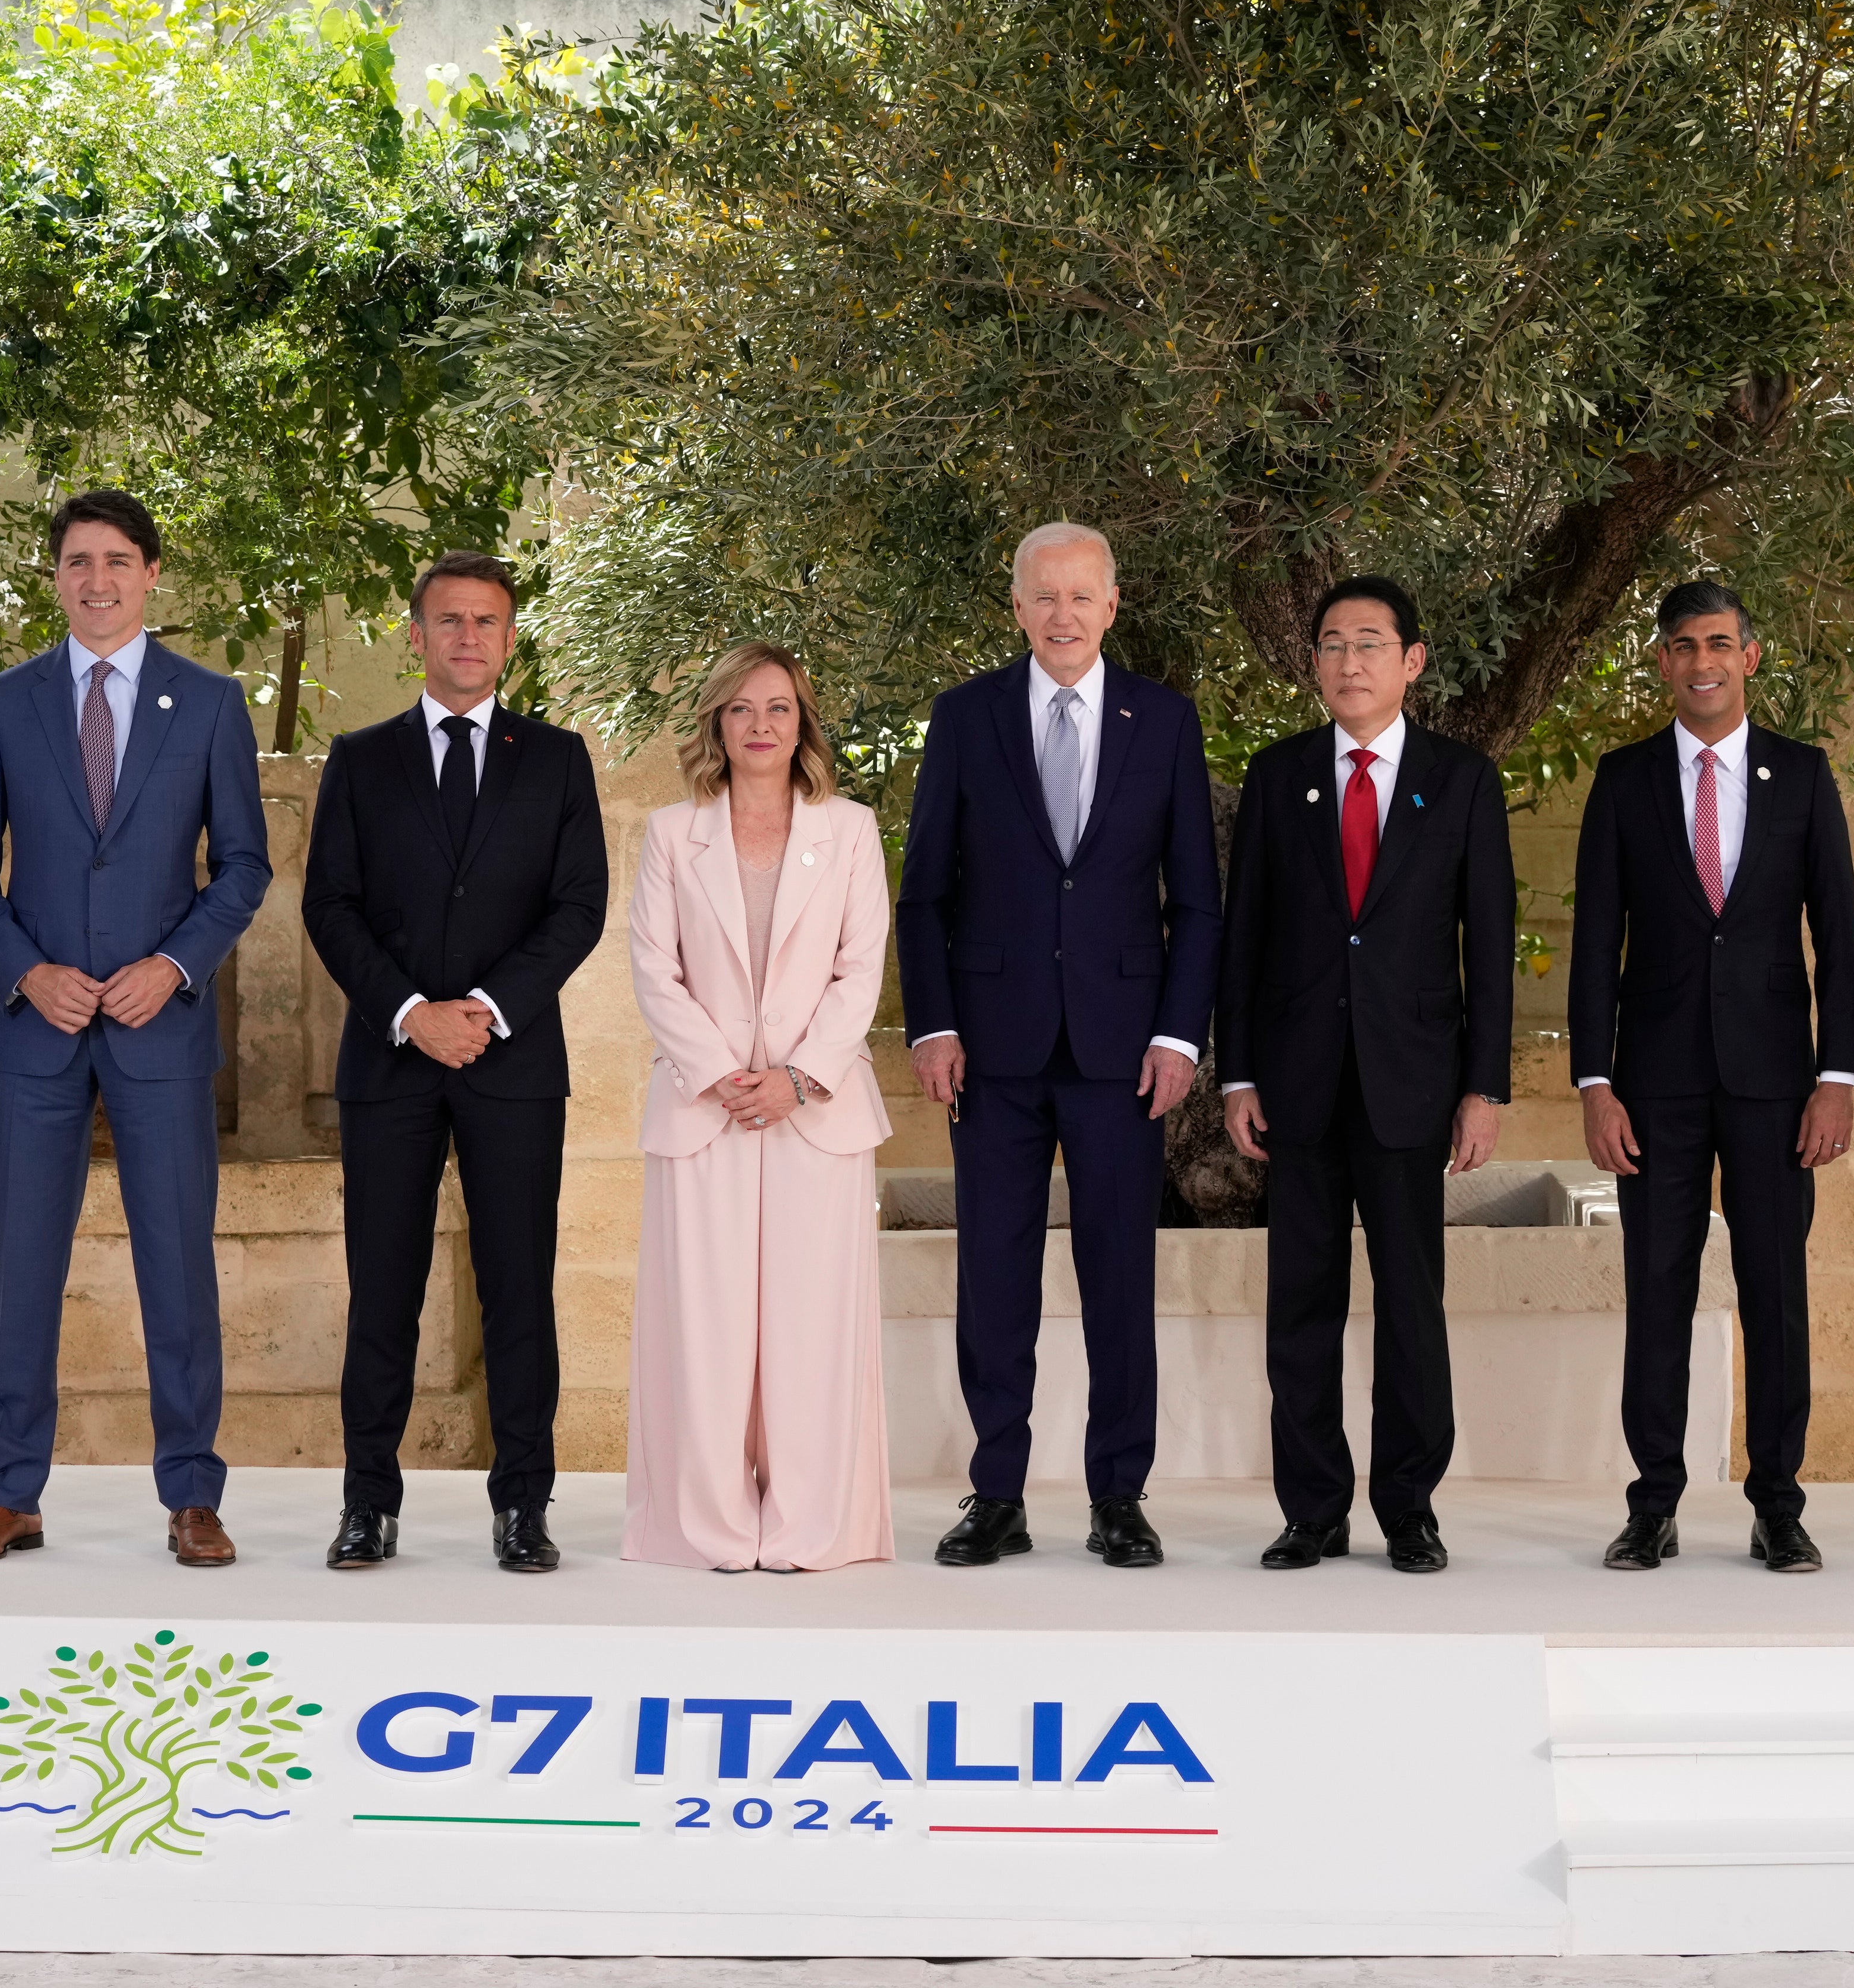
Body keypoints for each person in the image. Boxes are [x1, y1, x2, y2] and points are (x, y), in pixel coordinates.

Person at [0, 491, 270, 1568]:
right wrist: (27, 972)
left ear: (151, 575)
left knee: (178, 1266)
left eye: (117, 561)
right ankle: (10, 1492)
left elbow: (246, 868)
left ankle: (193, 1496)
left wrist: (173, 968)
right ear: (56, 577)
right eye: (78, 561)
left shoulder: (210, 704)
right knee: (23, 1265)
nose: (97, 579)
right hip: (36, 1031)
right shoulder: (4, 701)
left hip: (157, 1031)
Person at [896, 521, 1222, 1568]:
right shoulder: (965, 719)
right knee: (995, 1275)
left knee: (1118, 1275)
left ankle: (1118, 1496)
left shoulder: (1165, 723)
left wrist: (1180, 1033)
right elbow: (925, 894)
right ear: (1018, 604)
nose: (1064, 615)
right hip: (989, 1050)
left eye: (1083, 597)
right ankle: (997, 1492)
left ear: (1113, 606)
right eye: (1046, 597)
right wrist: (934, 1022)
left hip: (1125, 1054)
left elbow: (1199, 906)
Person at [302, 552, 609, 1572]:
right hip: (390, 1061)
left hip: (512, 1062)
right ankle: (368, 1505)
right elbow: (328, 905)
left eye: (486, 621)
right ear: (418, 635)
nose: (468, 636)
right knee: (380, 1287)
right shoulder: (359, 757)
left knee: (519, 1286)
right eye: (449, 620)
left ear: (510, 638)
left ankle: (524, 1505)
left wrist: (481, 1010)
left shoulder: (559, 759)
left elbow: (579, 908)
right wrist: (408, 1012)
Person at [1217, 577, 1515, 1574]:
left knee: (1411, 1305)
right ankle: (1311, 1508)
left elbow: (1491, 941)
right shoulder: (1277, 776)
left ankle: (1409, 1508)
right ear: (1315, 664)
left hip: (1412, 1081)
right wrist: (1239, 1075)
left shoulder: (1462, 779)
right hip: (1297, 1084)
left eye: (1372, 643)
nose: (1351, 662)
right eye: (1334, 644)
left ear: (1412, 661)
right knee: (1300, 1303)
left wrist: (1485, 1088)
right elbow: (1244, 939)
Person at [1570, 578, 1854, 1575]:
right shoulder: (1622, 779)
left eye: (1720, 643)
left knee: (1774, 1291)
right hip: (1651, 1086)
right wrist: (1592, 1084)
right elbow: (1593, 944)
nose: (1703, 661)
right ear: (1663, 661)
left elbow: (1839, 939)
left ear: (1751, 654)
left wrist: (1838, 1075)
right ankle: (1653, 1503)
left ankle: (1779, 1506)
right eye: (1685, 645)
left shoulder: (1803, 774)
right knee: (1657, 1290)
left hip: (1780, 1084)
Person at [624, 643, 897, 1572]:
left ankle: (813, 1524)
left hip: (815, 1113)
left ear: (803, 721)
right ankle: (704, 1526)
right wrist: (722, 1073)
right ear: (717, 722)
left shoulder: (851, 830)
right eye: (742, 709)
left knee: (811, 1324)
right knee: (702, 1326)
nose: (761, 726)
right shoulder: (671, 833)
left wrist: (799, 1078)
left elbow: (862, 968)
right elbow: (654, 969)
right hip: (707, 1110)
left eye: (779, 708)